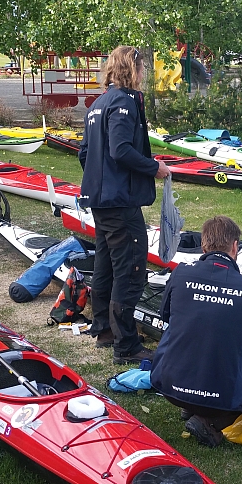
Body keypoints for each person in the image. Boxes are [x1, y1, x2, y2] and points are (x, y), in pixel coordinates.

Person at [150, 216, 242, 447]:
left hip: (167, 384)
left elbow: (165, 316)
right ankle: (208, 421)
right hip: (220, 398)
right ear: (235, 247)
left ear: (203, 245)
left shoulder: (180, 273)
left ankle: (188, 404)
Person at [78, 45, 171, 363]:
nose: (144, 75)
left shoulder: (97, 103)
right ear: (134, 70)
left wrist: (100, 182)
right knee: (130, 270)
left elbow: (84, 154)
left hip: (100, 201)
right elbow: (120, 149)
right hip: (119, 202)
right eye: (143, 69)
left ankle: (104, 329)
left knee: (105, 265)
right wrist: (152, 167)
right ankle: (126, 346)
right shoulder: (125, 102)